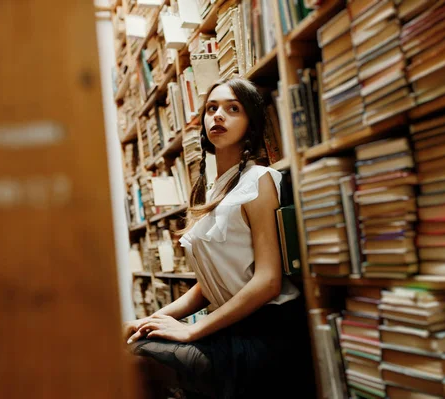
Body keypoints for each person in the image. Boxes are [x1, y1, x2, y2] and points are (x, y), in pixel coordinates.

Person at [124, 78, 308, 399]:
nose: (218, 116)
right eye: (212, 108)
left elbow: (268, 281)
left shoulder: (259, 180)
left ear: (251, 123)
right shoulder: (213, 190)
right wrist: (153, 318)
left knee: (136, 362)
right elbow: (205, 286)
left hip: (265, 331)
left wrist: (193, 329)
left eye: (232, 108)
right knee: (132, 343)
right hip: (229, 326)